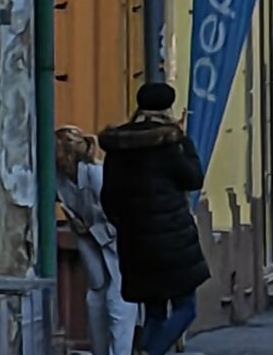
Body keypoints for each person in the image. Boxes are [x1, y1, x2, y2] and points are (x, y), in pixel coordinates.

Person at [99, 83, 208, 355]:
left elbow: (108, 197)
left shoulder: (119, 144)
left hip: (135, 243)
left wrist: (127, 226)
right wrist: (185, 142)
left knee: (154, 312)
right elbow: (193, 178)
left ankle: (147, 349)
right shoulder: (171, 142)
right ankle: (150, 352)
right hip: (174, 241)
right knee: (186, 308)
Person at [58, 126, 137, 355]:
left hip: (116, 241)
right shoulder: (59, 178)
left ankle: (120, 352)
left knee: (118, 300)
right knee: (96, 297)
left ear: (68, 154)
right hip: (91, 244)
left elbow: (121, 213)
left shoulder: (96, 174)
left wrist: (91, 228)